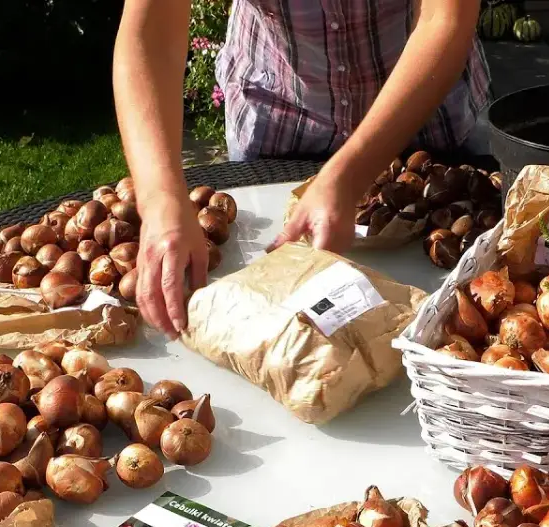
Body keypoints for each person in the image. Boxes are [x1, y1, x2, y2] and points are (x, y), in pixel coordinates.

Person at [113, 0, 491, 338]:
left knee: (448, 318)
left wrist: (348, 175)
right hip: (278, 122)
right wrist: (160, 197)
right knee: (277, 327)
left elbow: (444, 19)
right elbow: (152, 32)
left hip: (423, 123)